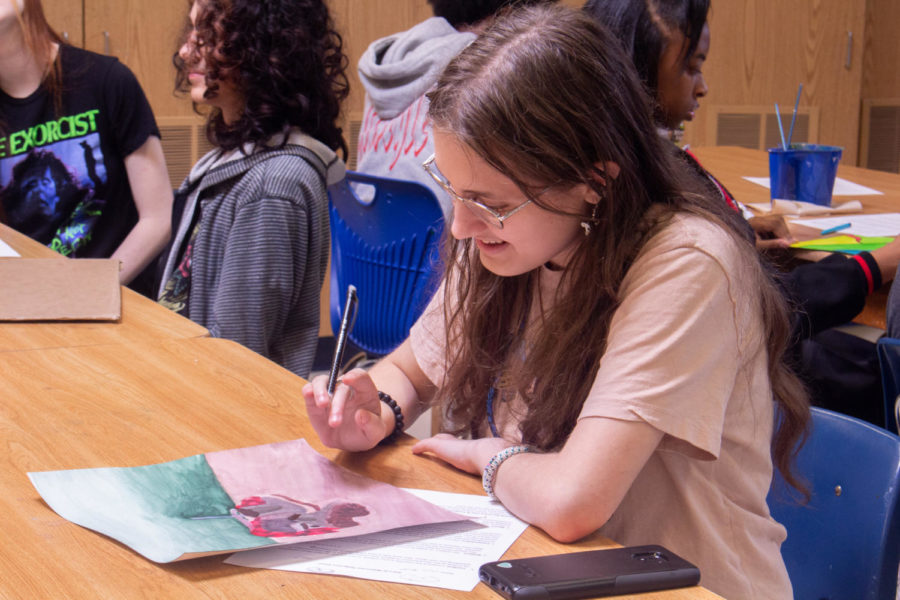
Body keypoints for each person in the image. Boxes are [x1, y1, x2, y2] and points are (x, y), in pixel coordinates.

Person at [304, 5, 809, 598]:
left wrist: (494, 459)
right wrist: (379, 408)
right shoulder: (508, 236)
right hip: (548, 564)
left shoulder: (689, 264)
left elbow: (573, 502)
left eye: (489, 202)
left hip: (685, 585)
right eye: (453, 190)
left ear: (594, 181)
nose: (461, 225)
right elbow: (411, 368)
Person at [585, 0, 900, 426]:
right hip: (742, 365)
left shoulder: (638, 161)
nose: (702, 87)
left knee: (859, 355)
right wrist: (875, 264)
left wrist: (738, 229)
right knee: (866, 369)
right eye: (691, 67)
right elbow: (760, 311)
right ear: (632, 69)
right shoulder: (642, 182)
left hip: (738, 350)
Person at [157, 0, 348, 378]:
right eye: (191, 32)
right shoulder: (228, 159)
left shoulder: (274, 185)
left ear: (263, 49)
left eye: (208, 37)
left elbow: (235, 360)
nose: (185, 51)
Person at [0, 0, 173, 296]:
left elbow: (158, 218)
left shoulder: (107, 80)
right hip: (25, 304)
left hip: (118, 302)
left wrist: (89, 293)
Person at [355, 0, 556, 216]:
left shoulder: (392, 58)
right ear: (509, 15)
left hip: (365, 237)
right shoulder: (489, 67)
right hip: (451, 236)